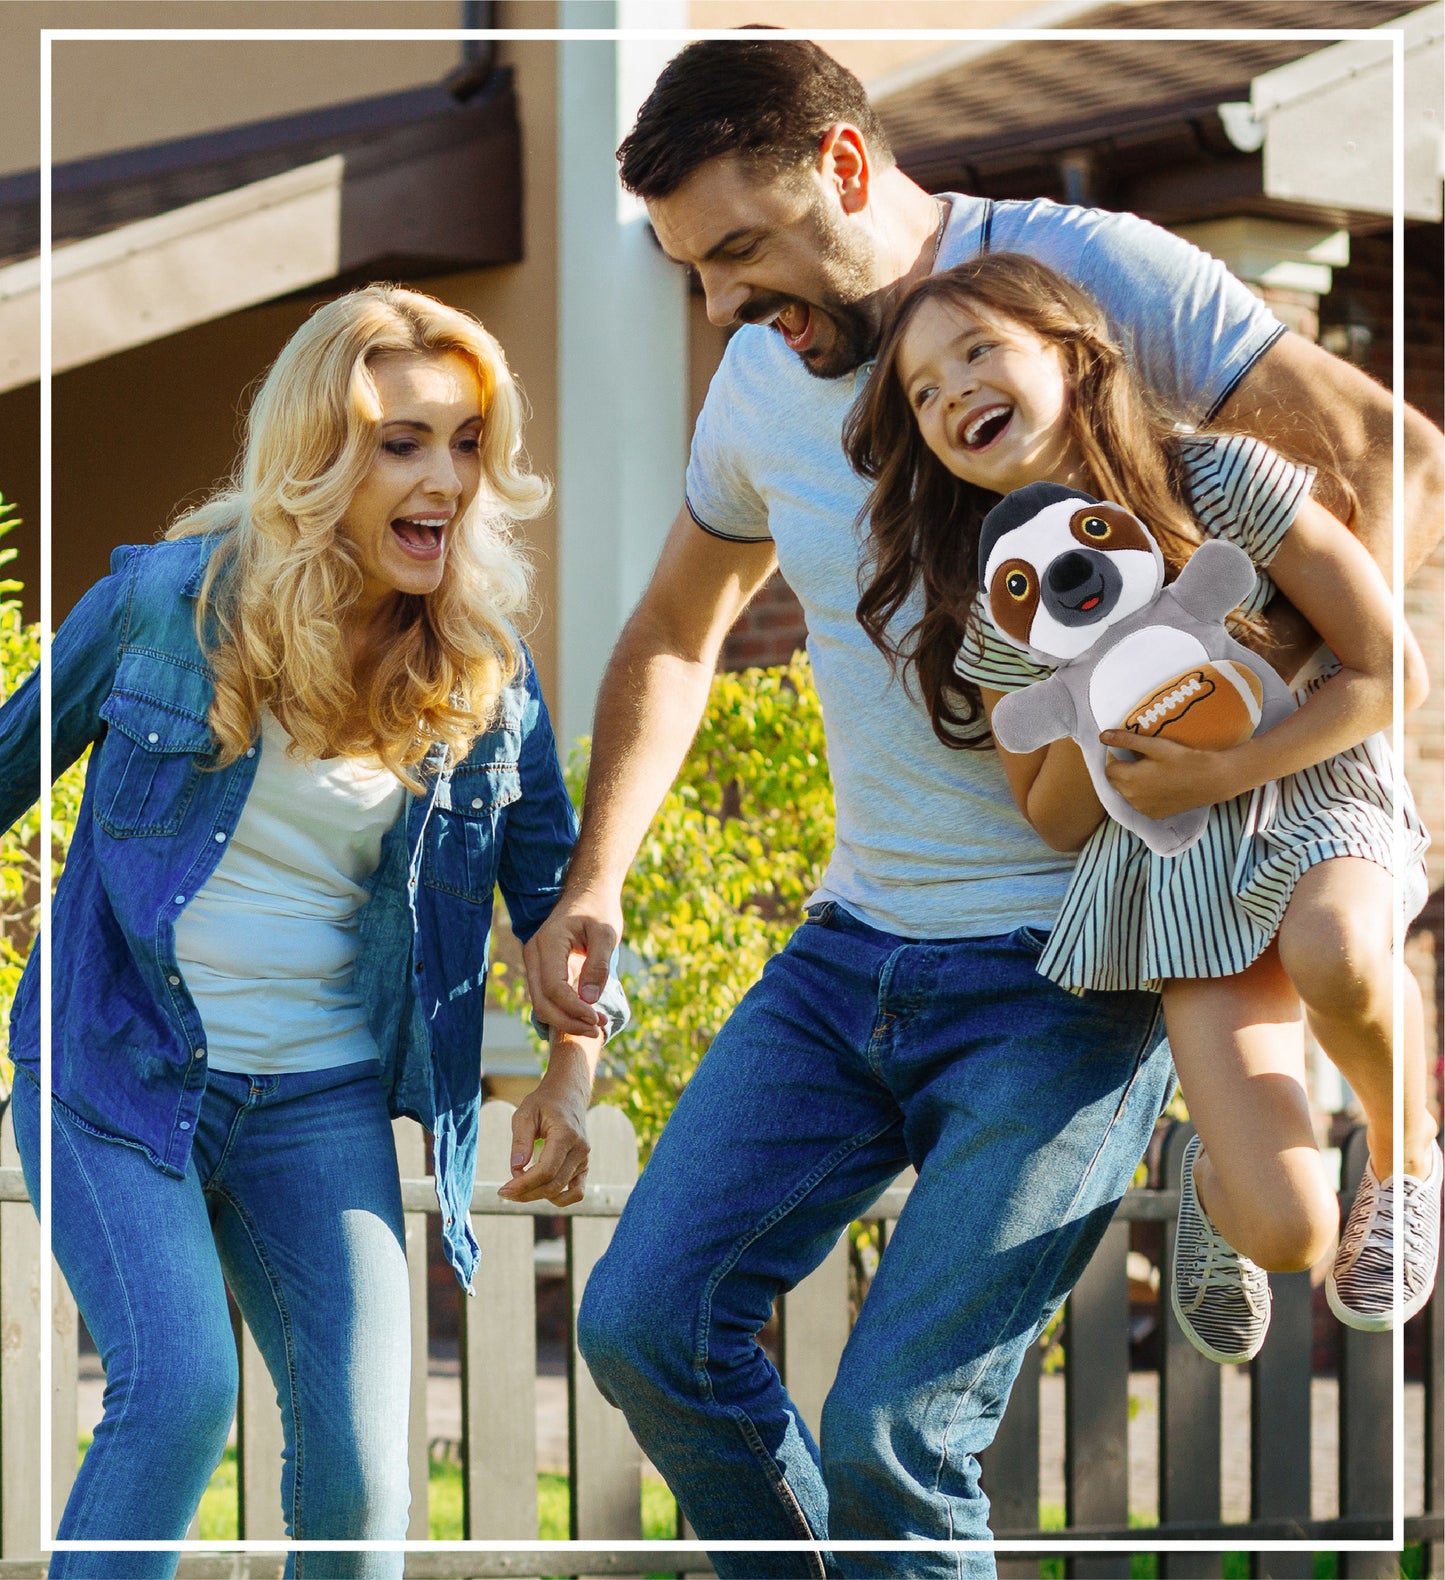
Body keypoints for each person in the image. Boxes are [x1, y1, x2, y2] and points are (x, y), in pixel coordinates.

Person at [519, 37, 1444, 1578]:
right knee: (642, 1326)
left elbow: (1378, 452)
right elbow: (679, 633)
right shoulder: (761, 379)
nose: (725, 306)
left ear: (845, 166)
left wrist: (1259, 751)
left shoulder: (1090, 276)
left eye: (740, 249)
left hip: (1071, 971)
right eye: (692, 270)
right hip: (850, 951)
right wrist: (594, 877)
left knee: (896, 1432)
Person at [0, 284, 626, 1580]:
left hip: (317, 1103)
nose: (444, 478)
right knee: (176, 1398)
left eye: (464, 442)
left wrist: (570, 1075)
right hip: (115, 1067)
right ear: (320, 456)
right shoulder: (162, 609)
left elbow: (559, 901)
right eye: (403, 442)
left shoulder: (479, 670)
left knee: (362, 1473)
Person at [845, 252, 1438, 1368]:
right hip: (1173, 868)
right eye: (921, 391)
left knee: (1334, 943)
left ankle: (1407, 1155)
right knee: (1288, 1226)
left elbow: (1386, 673)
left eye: (976, 350)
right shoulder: (999, 606)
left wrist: (1227, 761)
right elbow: (1056, 818)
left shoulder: (1217, 480)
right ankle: (1219, 1187)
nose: (949, 390)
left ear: (1071, 354)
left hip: (1309, 792)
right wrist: (1084, 678)